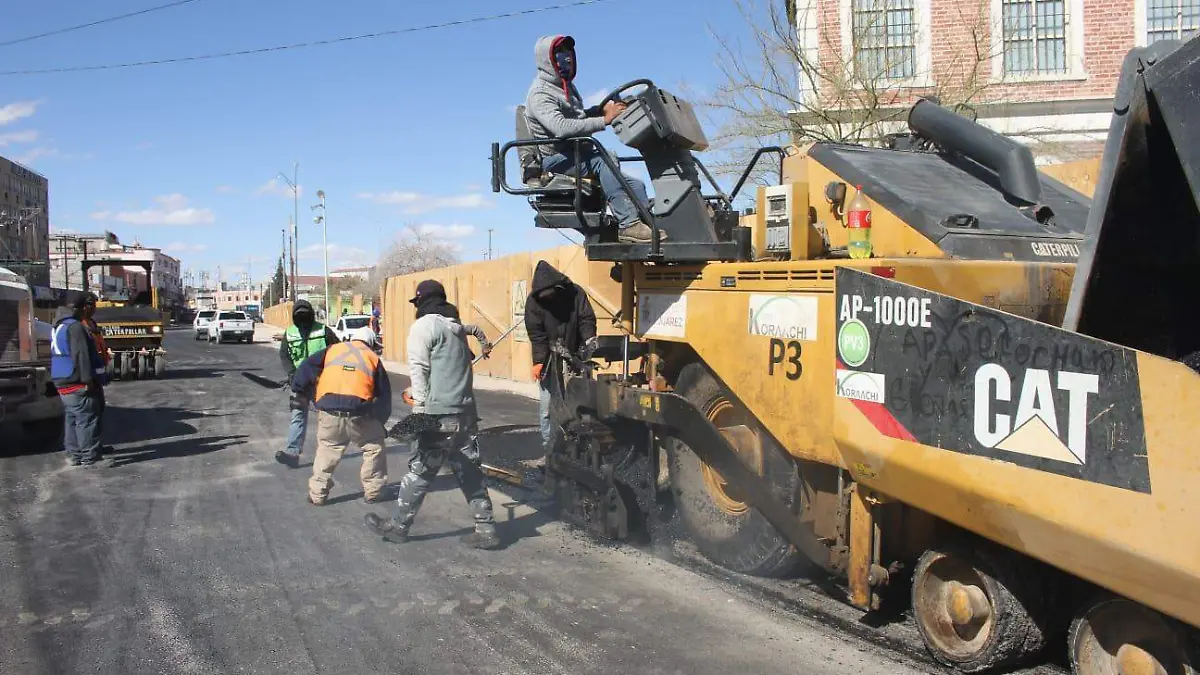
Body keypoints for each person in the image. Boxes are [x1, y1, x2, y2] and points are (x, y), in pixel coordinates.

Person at [363, 279, 500, 550]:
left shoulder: (424, 326)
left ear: (422, 302)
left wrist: (420, 411)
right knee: (469, 469)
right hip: (466, 413)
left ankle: (399, 527)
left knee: (421, 470)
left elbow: (419, 367)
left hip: (438, 414)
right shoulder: (457, 328)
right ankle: (486, 528)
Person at [524, 34, 664, 245]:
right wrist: (604, 120)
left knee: (635, 184)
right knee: (601, 161)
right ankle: (629, 225)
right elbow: (561, 128)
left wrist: (601, 109)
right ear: (547, 59)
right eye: (559, 53)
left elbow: (577, 117)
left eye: (569, 51)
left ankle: (648, 222)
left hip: (575, 153)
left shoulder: (565, 87)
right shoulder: (540, 94)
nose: (567, 57)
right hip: (554, 159)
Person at [290, 325, 391, 505]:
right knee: (373, 447)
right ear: (370, 343)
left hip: (329, 412)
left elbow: (306, 367)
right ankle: (374, 490)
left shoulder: (332, 350)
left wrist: (299, 390)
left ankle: (317, 494)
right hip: (360, 413)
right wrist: (380, 422)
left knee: (327, 450)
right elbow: (384, 396)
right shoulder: (372, 358)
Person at [524, 260, 598, 454]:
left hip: (576, 354)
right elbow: (536, 333)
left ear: (558, 288)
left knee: (581, 402)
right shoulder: (534, 303)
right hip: (549, 358)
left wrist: (589, 342)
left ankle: (581, 446)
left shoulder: (575, 293)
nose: (546, 299)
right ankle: (550, 448)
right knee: (548, 406)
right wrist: (539, 361)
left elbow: (586, 318)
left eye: (549, 295)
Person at [277, 299, 339, 468]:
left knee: (328, 417)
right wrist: (291, 374)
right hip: (299, 384)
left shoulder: (323, 331)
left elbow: (338, 350)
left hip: (322, 383)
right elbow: (285, 356)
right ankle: (292, 453)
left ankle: (329, 453)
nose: (303, 318)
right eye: (299, 315)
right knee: (298, 416)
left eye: (306, 314)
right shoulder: (290, 333)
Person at [50, 293, 107, 466]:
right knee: (87, 418)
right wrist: (87, 380)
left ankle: (74, 454)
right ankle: (90, 456)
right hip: (76, 380)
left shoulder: (58, 326)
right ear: (82, 308)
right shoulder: (75, 327)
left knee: (72, 418)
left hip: (62, 378)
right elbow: (81, 355)